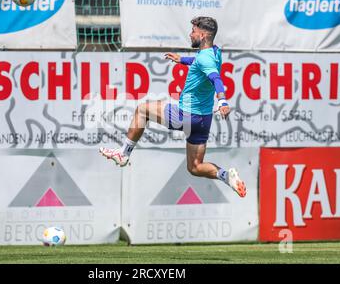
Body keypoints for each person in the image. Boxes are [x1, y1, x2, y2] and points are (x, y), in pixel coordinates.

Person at [99, 16, 246, 198]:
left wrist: (222, 100)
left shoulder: (206, 59)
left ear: (203, 34)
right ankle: (226, 176)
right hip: (203, 119)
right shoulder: (214, 52)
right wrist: (182, 60)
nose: (190, 34)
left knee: (142, 110)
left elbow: (216, 78)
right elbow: (202, 64)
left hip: (187, 115)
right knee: (195, 167)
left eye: (193, 31)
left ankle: (124, 153)